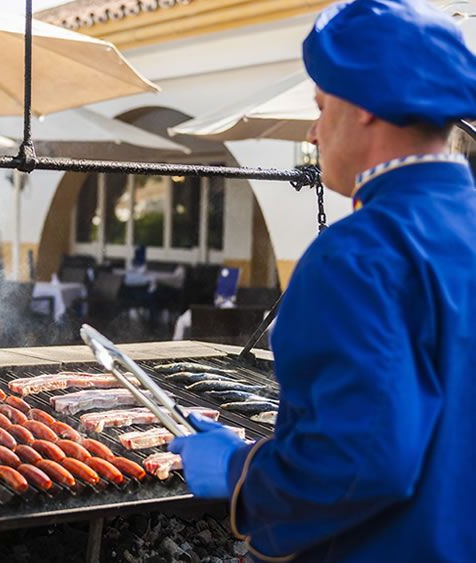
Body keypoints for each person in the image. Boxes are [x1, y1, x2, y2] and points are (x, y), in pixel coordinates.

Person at [168, 0, 476, 560]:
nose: (312, 132)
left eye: (320, 105)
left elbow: (359, 462)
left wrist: (241, 470)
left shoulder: (359, 254)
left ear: (362, 104)